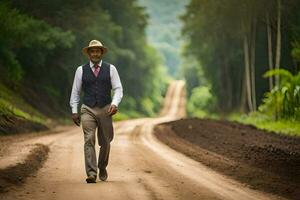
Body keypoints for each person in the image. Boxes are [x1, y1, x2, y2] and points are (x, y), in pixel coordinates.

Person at [69, 39, 123, 183]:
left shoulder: (111, 69)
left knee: (106, 141)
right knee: (89, 139)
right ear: (89, 53)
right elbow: (75, 92)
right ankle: (92, 173)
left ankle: (102, 166)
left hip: (106, 108)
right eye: (92, 51)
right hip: (88, 108)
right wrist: (74, 110)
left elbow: (118, 89)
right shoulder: (81, 70)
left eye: (98, 51)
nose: (95, 53)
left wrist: (115, 103)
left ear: (101, 53)